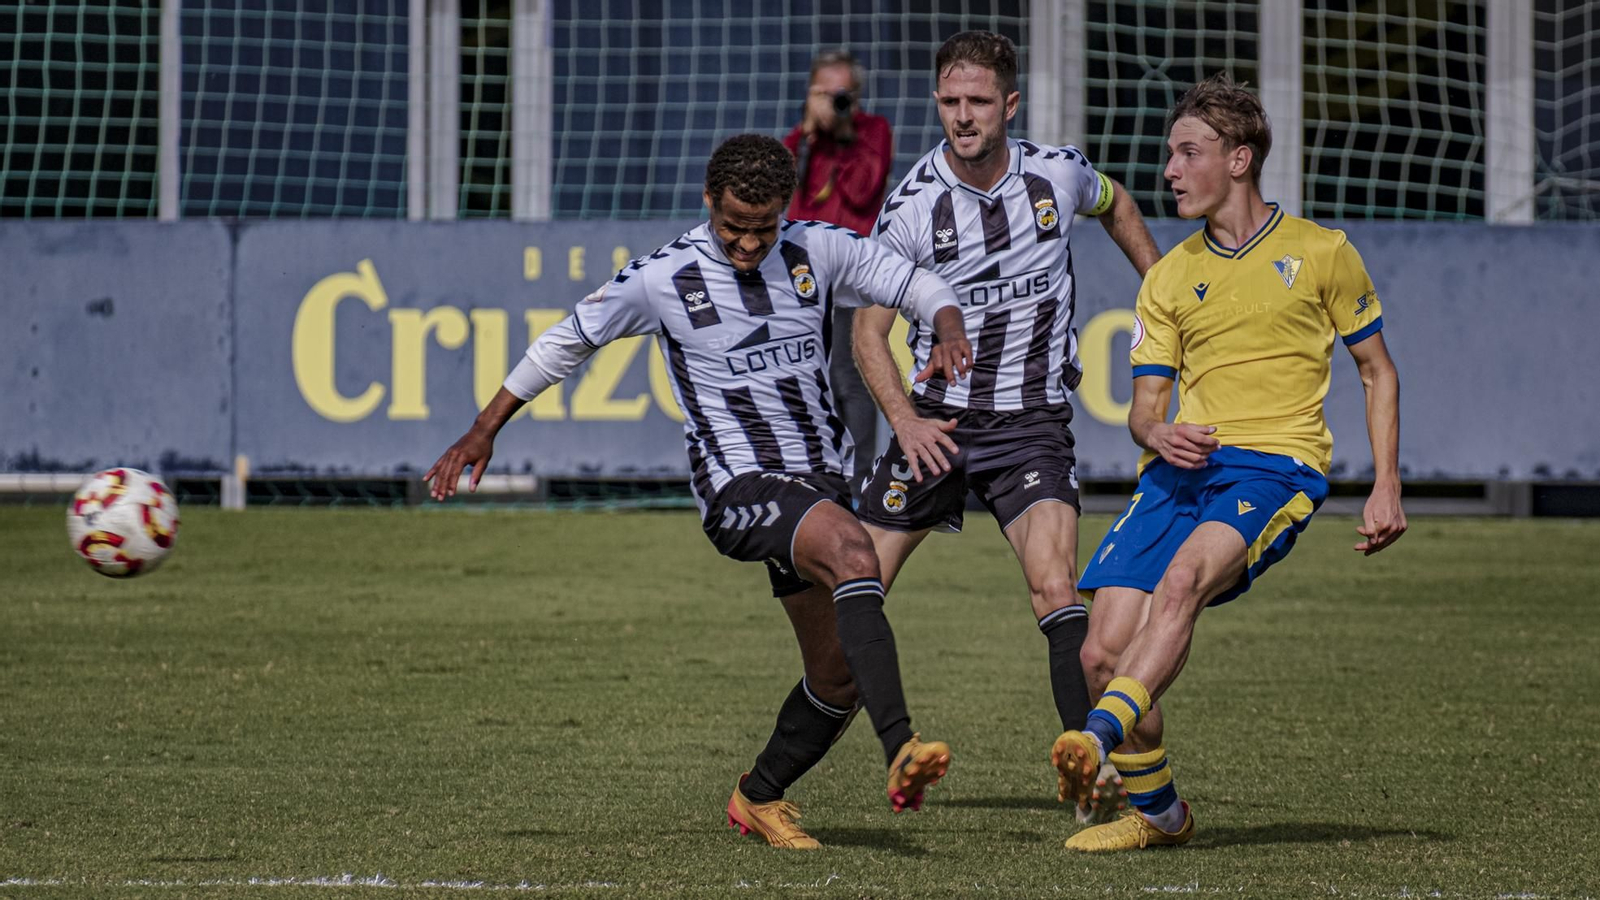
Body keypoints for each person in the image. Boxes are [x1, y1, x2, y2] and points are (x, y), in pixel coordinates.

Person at [425, 134, 973, 851]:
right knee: (851, 551)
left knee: (835, 677)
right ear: (708, 202)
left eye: (763, 227)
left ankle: (757, 796)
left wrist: (947, 324)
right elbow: (565, 340)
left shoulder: (816, 248)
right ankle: (901, 746)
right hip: (737, 487)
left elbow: (915, 283)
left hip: (818, 482)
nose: (748, 244)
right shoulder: (665, 277)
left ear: (784, 211)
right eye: (733, 227)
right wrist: (482, 428)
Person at [1055, 74, 1407, 852]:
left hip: (1274, 469)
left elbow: (1377, 370)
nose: (1170, 170)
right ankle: (1163, 817)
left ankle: (1095, 741)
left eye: (1189, 153)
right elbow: (1147, 408)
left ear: (1239, 159)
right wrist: (1156, 436)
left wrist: (1386, 482)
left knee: (1181, 582)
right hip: (1183, 470)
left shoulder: (1322, 253)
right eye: (1169, 154)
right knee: (1100, 649)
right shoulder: (1170, 277)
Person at [851, 30, 1161, 824]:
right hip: (937, 426)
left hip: (1030, 425)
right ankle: (865, 761)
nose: (962, 116)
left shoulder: (1056, 173)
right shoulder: (914, 205)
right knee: (851, 592)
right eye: (950, 102)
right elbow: (866, 331)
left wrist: (1162, 290)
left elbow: (1118, 202)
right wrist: (904, 421)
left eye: (978, 102)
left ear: (1010, 105)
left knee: (1055, 587)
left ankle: (1087, 765)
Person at [783, 49, 894, 496]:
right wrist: (810, 134)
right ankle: (811, 471)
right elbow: (782, 198)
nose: (834, 101)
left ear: (857, 94)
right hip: (804, 275)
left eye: (841, 93)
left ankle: (860, 478)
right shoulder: (800, 142)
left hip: (854, 272)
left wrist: (843, 134)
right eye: (824, 93)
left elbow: (863, 190)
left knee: (851, 377)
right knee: (805, 373)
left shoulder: (873, 131)